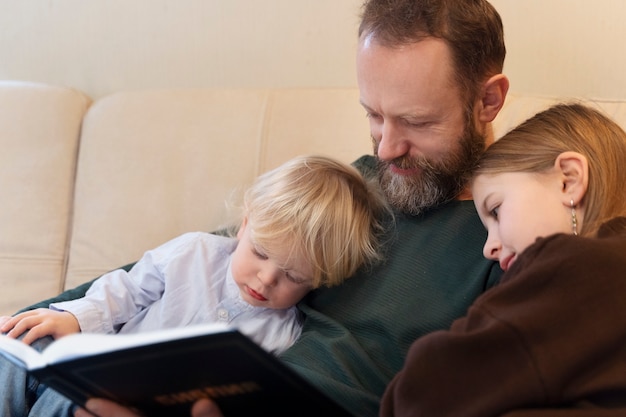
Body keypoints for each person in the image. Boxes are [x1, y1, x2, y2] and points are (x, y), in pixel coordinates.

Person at [17, 0, 511, 416]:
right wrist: (53, 318)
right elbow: (199, 263)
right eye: (374, 115)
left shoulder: (505, 237)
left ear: (487, 100)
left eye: (415, 122)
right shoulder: (348, 187)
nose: (385, 148)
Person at [0, 154, 390, 416]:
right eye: (260, 252)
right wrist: (78, 318)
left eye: (294, 277)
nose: (267, 278)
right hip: (100, 361)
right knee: (21, 343)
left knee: (70, 402)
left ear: (321, 281)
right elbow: (129, 289)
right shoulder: (195, 252)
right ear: (245, 223)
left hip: (127, 404)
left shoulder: (286, 335)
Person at [379, 103, 626, 416]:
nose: (488, 248)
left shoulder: (576, 268)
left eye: (496, 210)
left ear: (569, 179)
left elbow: (426, 392)